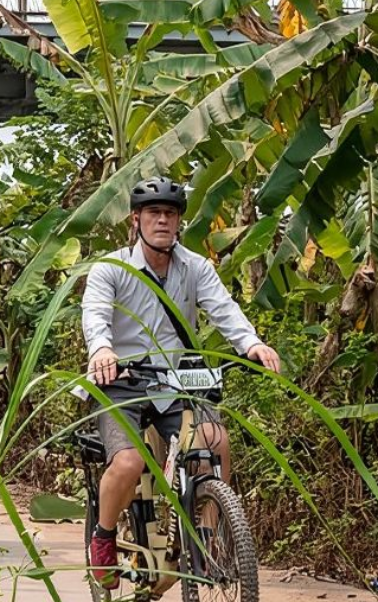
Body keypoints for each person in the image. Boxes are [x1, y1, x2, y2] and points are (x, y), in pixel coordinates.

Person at [80, 176, 282, 590]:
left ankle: (205, 543)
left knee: (215, 441)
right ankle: (102, 538)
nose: (162, 221)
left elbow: (224, 310)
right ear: (136, 220)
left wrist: (252, 343)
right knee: (129, 463)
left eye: (170, 214)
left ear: (178, 223)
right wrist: (102, 350)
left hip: (175, 381)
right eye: (153, 213)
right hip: (121, 380)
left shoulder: (195, 267)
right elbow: (95, 314)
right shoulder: (111, 268)